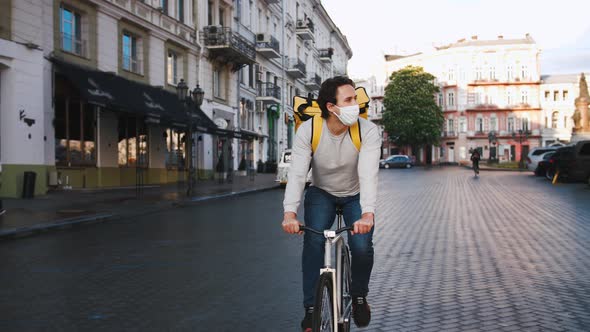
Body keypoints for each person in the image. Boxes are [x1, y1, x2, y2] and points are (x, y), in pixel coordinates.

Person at [281, 76, 381, 331]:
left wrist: (367, 214)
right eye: (348, 100)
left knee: (361, 244)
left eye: (356, 99)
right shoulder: (309, 130)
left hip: (356, 194)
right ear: (330, 106)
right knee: (313, 242)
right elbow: (297, 174)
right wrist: (290, 213)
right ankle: (310, 309)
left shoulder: (367, 130)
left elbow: (369, 173)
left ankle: (358, 296)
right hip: (321, 192)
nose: (355, 105)